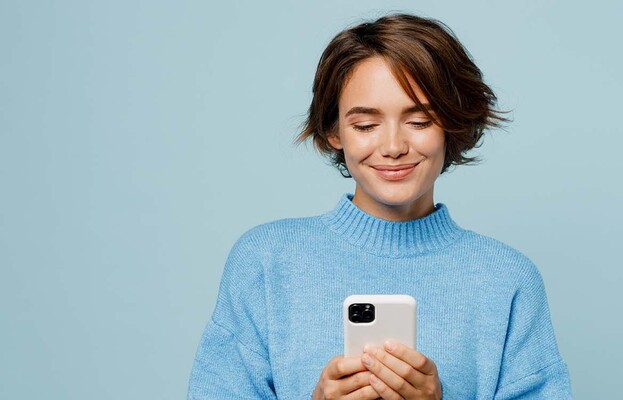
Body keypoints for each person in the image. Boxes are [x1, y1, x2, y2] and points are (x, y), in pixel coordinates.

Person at [187, 13, 573, 399]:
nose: (392, 147)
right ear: (334, 130)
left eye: (419, 121)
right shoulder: (265, 261)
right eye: (365, 125)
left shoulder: (508, 279)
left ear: (452, 125)